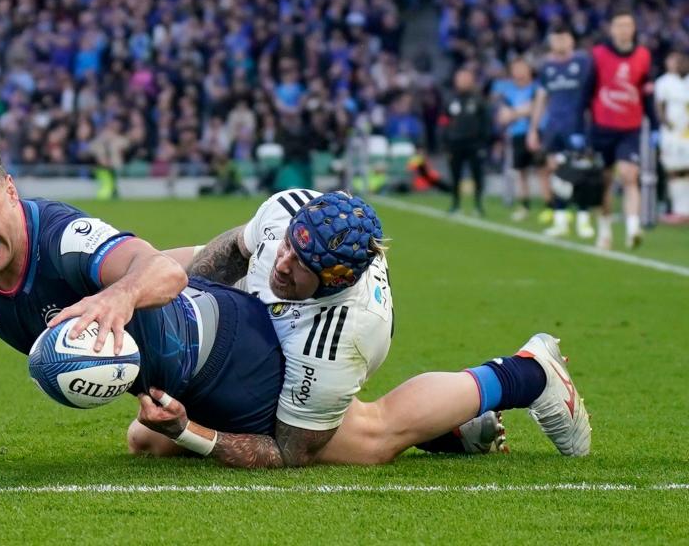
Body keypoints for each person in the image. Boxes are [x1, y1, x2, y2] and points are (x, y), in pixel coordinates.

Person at [0, 98, 286, 475]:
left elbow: (166, 273)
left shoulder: (64, 236)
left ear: (10, 190)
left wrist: (117, 296)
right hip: (176, 395)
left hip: (241, 359)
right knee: (144, 441)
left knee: (330, 446)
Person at [129, 190, 591, 467]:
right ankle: (449, 430)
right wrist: (165, 297)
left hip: (317, 341)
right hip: (272, 317)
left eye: (301, 264)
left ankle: (527, 374)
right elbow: (232, 248)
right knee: (146, 441)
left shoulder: (341, 334)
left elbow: (292, 452)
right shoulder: (285, 213)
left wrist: (189, 430)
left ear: (334, 281)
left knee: (372, 439)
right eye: (289, 246)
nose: (282, 265)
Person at [527, 25, 598, 238]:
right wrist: (533, 129)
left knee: (581, 172)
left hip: (577, 126)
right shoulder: (547, 67)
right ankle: (560, 219)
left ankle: (584, 219)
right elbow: (541, 98)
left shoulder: (583, 62)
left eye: (563, 38)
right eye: (555, 39)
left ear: (571, 41)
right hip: (554, 128)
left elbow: (593, 93)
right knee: (554, 171)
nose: (559, 43)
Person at [589, 9, 653, 249]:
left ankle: (633, 228)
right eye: (619, 25)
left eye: (628, 25)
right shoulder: (598, 55)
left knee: (629, 175)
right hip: (602, 127)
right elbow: (587, 91)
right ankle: (604, 231)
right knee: (603, 182)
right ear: (612, 29)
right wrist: (581, 127)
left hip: (630, 127)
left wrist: (654, 125)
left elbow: (646, 92)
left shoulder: (644, 56)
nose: (624, 30)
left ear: (634, 29)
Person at [493, 58, 546, 221]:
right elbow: (502, 117)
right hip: (516, 134)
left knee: (543, 170)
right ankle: (524, 206)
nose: (519, 72)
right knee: (520, 173)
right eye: (515, 69)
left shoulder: (538, 87)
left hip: (538, 132)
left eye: (522, 68)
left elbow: (537, 107)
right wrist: (521, 111)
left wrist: (514, 113)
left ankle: (549, 206)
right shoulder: (508, 91)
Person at [440, 69, 494, 215]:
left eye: (466, 78)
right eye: (460, 78)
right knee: (455, 175)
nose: (463, 81)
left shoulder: (479, 100)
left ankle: (478, 205)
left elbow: (486, 122)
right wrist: (445, 142)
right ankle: (455, 204)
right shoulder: (450, 100)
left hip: (475, 144)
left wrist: (484, 142)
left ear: (472, 80)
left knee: (477, 175)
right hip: (454, 143)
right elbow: (444, 121)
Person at [654, 51, 689, 222]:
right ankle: (677, 209)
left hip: (687, 134)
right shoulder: (663, 82)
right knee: (674, 171)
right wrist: (666, 124)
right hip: (672, 135)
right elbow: (659, 106)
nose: (678, 63)